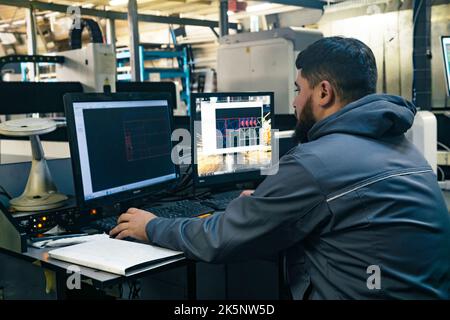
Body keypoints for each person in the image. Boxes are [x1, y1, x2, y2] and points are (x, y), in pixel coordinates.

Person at [110, 37, 450, 299]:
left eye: (298, 90)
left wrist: (152, 226)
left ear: (324, 93)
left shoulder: (313, 162)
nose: (294, 101)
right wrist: (265, 203)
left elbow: (221, 239)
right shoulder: (403, 145)